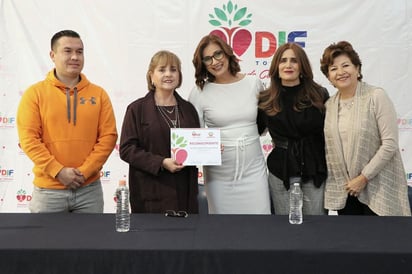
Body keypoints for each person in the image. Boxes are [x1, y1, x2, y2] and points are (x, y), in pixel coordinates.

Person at [17, 30, 118, 213]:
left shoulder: (99, 94)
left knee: (90, 242)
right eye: (67, 51)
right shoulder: (35, 94)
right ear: (52, 55)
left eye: (79, 52)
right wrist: (58, 171)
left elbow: (108, 137)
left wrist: (85, 172)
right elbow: (29, 140)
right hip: (48, 193)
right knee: (46, 243)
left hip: (89, 192)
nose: (74, 57)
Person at [320, 41, 411, 216]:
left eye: (346, 65)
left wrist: (363, 178)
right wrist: (351, 182)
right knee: (352, 241)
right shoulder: (329, 105)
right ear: (329, 77)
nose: (340, 72)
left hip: (379, 186)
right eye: (333, 68)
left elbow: (390, 144)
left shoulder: (376, 96)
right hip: (347, 191)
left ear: (357, 69)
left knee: (381, 241)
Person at [189, 34, 271, 214]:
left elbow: (264, 125)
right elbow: (194, 140)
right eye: (207, 58)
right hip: (218, 176)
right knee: (223, 231)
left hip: (254, 171)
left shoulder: (254, 83)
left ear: (227, 54)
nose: (214, 62)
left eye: (218, 54)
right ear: (202, 63)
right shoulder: (199, 93)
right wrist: (206, 148)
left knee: (260, 225)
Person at [119, 50, 200, 214]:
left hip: (185, 191)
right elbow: (127, 150)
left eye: (173, 69)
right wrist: (161, 162)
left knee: (186, 238)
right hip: (151, 191)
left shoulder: (189, 109)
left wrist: (210, 149)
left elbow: (195, 144)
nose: (168, 74)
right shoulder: (137, 109)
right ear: (151, 76)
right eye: (162, 70)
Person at [257, 42, 329, 215]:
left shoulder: (320, 95)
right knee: (285, 230)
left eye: (294, 61)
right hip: (280, 171)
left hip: (314, 169)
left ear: (302, 66)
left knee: (316, 226)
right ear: (276, 66)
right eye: (283, 60)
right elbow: (254, 131)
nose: (288, 65)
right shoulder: (266, 99)